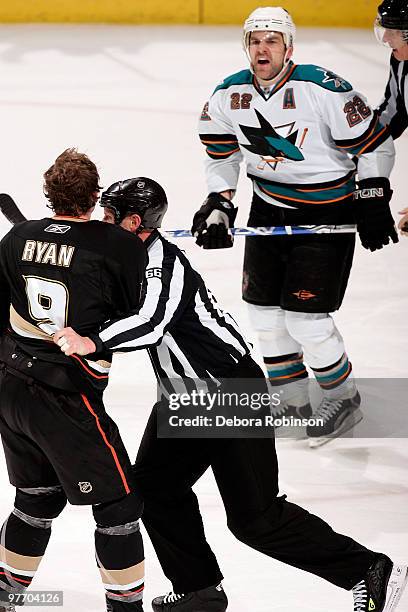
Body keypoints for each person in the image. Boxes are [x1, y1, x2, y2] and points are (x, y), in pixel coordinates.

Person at [53, 177, 407, 612]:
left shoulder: (164, 265)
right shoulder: (123, 257)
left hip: (227, 390)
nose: (101, 224)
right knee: (155, 489)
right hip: (186, 397)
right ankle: (199, 590)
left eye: (108, 217)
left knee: (257, 520)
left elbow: (150, 322)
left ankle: (371, 572)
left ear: (133, 222)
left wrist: (92, 342)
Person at [192, 6, 398, 447]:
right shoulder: (228, 94)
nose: (262, 48)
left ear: (289, 47)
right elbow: (221, 155)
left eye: (271, 40)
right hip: (268, 209)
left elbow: (374, 144)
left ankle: (342, 396)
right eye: (254, 40)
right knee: (264, 315)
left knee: (306, 320)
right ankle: (289, 397)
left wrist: (374, 194)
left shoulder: (323, 89)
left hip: (329, 212)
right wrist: (220, 202)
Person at [0, 150, 148, 612]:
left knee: (37, 499)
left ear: (49, 193)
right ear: (95, 195)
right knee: (118, 508)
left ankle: (4, 598)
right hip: (65, 394)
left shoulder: (16, 237)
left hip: (8, 386)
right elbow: (131, 315)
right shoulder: (118, 245)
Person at [375, 0, 408, 234]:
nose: (386, 38)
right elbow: (394, 110)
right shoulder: (400, 60)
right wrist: (356, 139)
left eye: (393, 32)